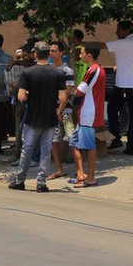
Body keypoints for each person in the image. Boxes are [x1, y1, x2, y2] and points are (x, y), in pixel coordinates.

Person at [8, 42, 68, 193]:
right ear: (48, 54)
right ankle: (41, 182)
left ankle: (20, 179)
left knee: (27, 148)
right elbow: (62, 97)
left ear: (35, 54)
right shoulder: (58, 73)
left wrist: (30, 95)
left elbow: (21, 97)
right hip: (50, 116)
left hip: (33, 115)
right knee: (46, 150)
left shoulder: (28, 72)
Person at [105, 20, 133, 155]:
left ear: (125, 30)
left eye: (118, 29)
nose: (116, 32)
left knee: (112, 109)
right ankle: (131, 147)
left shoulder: (123, 43)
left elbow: (101, 45)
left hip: (125, 84)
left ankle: (116, 137)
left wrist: (79, 44)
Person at [67, 45, 106, 188]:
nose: (80, 55)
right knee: (74, 142)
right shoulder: (95, 69)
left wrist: (67, 95)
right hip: (84, 112)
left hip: (88, 113)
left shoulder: (94, 70)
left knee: (89, 146)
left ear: (89, 55)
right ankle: (81, 173)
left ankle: (90, 177)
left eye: (82, 53)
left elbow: (79, 90)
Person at [48, 41, 76, 180]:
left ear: (61, 53)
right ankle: (59, 169)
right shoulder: (48, 69)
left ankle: (79, 170)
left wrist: (59, 110)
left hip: (65, 111)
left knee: (72, 138)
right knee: (54, 140)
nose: (51, 53)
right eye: (50, 50)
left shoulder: (67, 71)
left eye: (54, 51)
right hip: (52, 109)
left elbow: (67, 93)